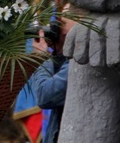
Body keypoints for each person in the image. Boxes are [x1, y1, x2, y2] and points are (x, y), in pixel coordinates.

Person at [30, 10, 76, 143]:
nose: (58, 27)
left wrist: (41, 57)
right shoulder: (70, 57)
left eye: (63, 22)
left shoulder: (83, 59)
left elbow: (45, 96)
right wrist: (58, 51)